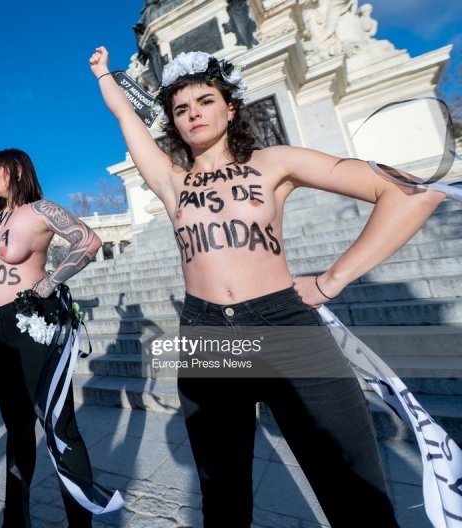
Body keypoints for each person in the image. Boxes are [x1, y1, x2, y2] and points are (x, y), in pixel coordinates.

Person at [89, 46, 446, 526]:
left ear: (230, 106)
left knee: (353, 490)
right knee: (224, 502)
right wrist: (104, 78)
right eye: (180, 109)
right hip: (208, 337)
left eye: (205, 101)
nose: (192, 114)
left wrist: (332, 279)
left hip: (285, 327)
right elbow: (128, 122)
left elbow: (409, 195)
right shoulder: (172, 182)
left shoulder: (274, 162)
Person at [0, 116, 107, 527]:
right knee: (16, 426)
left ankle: (80, 522)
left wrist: (52, 280)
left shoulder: (40, 209)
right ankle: (16, 519)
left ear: (19, 171)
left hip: (34, 323)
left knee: (59, 426)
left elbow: (89, 240)